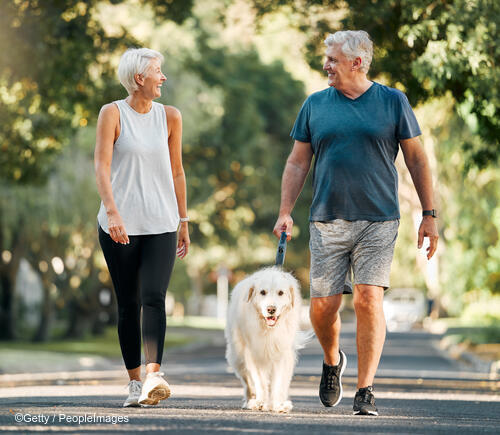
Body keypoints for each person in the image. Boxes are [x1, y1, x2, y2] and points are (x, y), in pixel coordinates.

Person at [273, 30, 438, 416]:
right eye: (326, 58)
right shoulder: (315, 105)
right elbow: (298, 162)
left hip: (379, 218)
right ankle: (333, 361)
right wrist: (285, 211)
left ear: (357, 63)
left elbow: (416, 159)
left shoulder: (393, 101)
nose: (326, 65)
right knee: (322, 307)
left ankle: (365, 389)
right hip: (326, 218)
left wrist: (429, 215)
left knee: (368, 297)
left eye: (332, 59)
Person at [94, 47, 190, 407]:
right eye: (157, 71)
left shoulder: (170, 117)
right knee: (128, 302)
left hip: (161, 222)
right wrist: (113, 212)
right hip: (119, 225)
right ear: (139, 78)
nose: (163, 77)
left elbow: (178, 170)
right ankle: (135, 382)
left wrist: (183, 220)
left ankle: (153, 376)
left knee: (154, 298)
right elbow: (102, 167)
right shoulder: (112, 113)